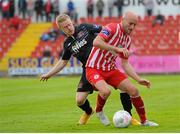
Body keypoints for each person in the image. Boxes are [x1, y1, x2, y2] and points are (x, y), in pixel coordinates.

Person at [40, 14, 140, 126]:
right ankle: (88, 112)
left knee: (125, 88)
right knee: (79, 101)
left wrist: (115, 46)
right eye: (65, 27)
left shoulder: (85, 27)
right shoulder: (67, 44)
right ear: (61, 29)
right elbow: (63, 62)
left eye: (69, 24)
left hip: (104, 63)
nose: (69, 27)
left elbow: (105, 30)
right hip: (89, 69)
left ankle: (129, 116)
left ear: (72, 22)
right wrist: (49, 74)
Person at [85, 11, 159, 126]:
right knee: (105, 91)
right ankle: (99, 111)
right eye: (130, 23)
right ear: (123, 20)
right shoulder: (111, 28)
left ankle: (144, 121)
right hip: (94, 67)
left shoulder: (127, 39)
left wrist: (138, 79)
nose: (132, 27)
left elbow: (125, 63)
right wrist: (117, 49)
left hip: (110, 69)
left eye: (135, 25)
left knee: (134, 91)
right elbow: (96, 42)